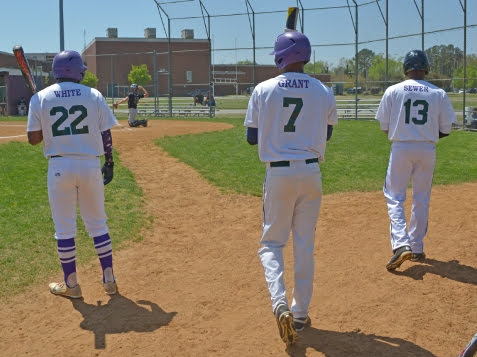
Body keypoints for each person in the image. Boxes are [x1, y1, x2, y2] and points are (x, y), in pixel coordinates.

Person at [244, 30, 337, 346]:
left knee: (271, 243)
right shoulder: (324, 90)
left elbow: (252, 138)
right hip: (311, 173)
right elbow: (328, 134)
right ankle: (300, 313)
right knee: (304, 244)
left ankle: (279, 303)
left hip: (279, 173)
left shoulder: (263, 89)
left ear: (279, 55)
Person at [26, 50, 119, 298]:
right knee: (98, 224)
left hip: (59, 167)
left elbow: (33, 139)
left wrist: (45, 122)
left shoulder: (40, 97)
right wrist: (109, 161)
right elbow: (105, 134)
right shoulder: (94, 95)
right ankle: (109, 281)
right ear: (78, 71)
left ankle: (72, 285)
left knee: (64, 229)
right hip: (90, 164)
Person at [375, 49, 456, 271]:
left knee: (394, 196)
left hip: (401, 147)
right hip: (427, 148)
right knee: (421, 197)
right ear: (426, 67)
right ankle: (417, 246)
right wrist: (425, 135)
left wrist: (405, 134)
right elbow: (446, 129)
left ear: (406, 68)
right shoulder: (438, 93)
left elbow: (384, 126)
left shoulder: (393, 90)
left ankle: (401, 244)